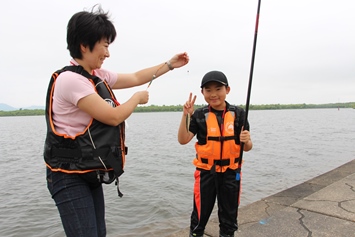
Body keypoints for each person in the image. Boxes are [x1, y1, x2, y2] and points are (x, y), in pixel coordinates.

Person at [43, 5, 189, 237]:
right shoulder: (70, 80)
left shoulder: (97, 75)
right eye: (105, 45)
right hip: (67, 176)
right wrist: (136, 99)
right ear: (84, 45)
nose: (107, 53)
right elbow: (113, 117)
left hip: (88, 171)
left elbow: (135, 77)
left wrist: (169, 64)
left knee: (99, 233)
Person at [178, 70, 253, 237]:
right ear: (202, 92)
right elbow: (183, 139)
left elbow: (247, 147)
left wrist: (246, 140)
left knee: (229, 219)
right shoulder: (199, 115)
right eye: (208, 90)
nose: (213, 94)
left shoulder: (239, 114)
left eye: (218, 89)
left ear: (227, 90)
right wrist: (185, 115)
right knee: (199, 218)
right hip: (206, 173)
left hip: (231, 173)